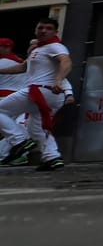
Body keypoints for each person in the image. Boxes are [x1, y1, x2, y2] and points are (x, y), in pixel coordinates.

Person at [0, 18, 72, 171]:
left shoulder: (55, 46)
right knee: (37, 129)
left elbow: (66, 61)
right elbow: (22, 67)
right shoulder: (37, 49)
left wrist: (59, 80)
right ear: (36, 30)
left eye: (48, 28)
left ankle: (20, 140)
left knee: (1, 109)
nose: (44, 31)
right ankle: (52, 157)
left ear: (55, 32)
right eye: (40, 28)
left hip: (40, 91)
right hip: (46, 94)